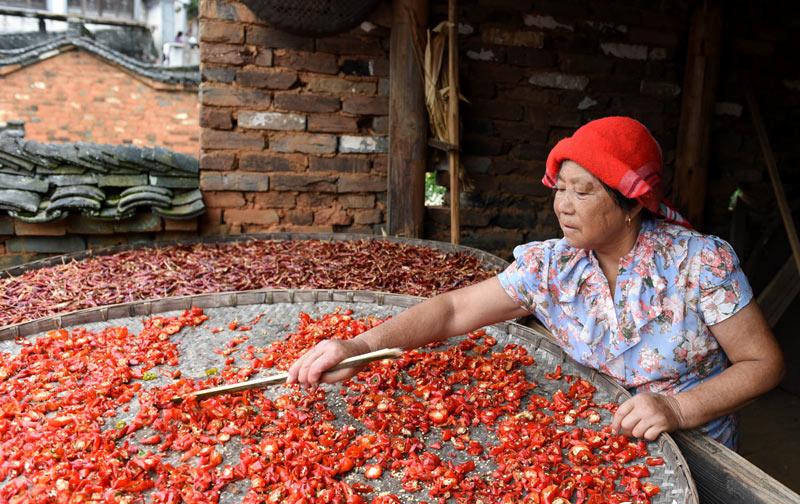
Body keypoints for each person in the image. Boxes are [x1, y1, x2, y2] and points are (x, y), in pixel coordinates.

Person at [287, 116, 784, 450]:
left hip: (696, 442)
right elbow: (453, 311)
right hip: (604, 436)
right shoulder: (552, 267)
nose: (563, 205)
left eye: (583, 192)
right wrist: (359, 345)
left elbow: (762, 364)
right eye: (560, 188)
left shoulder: (699, 264)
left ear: (633, 203)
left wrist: (678, 408)